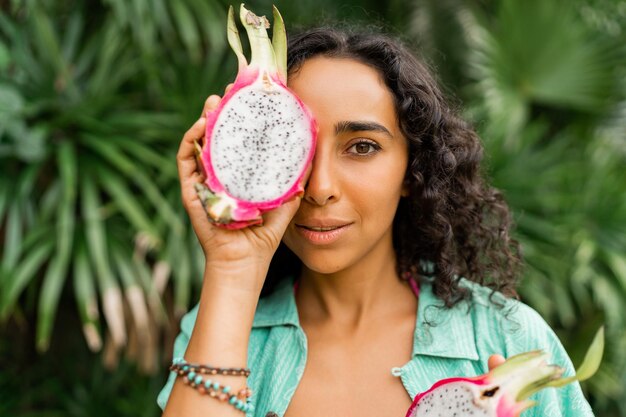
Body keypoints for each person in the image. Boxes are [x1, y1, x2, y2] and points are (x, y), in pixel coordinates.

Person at [158, 26, 594, 417]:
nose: (320, 186)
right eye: (297, 146)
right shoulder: (220, 329)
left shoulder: (511, 339)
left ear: (412, 169)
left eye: (362, 147)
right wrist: (233, 269)